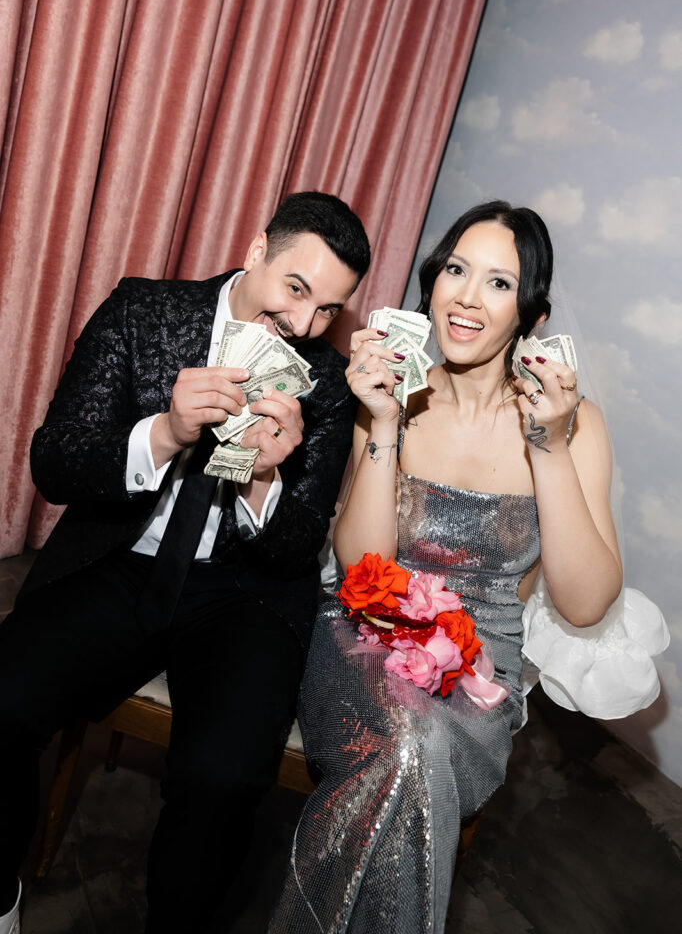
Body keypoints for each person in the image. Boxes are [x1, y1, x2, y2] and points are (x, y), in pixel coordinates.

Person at [0, 190, 370, 934]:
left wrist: (264, 479)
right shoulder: (142, 312)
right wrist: (165, 432)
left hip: (242, 594)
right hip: (117, 560)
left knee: (223, 778)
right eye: (297, 289)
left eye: (328, 309)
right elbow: (55, 461)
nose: (303, 325)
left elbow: (296, 547)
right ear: (257, 250)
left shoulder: (327, 386)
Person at [268, 200, 625, 934]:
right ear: (431, 283)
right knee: (407, 743)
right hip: (362, 633)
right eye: (456, 270)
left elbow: (585, 604)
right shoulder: (392, 396)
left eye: (499, 282)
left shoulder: (574, 425)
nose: (467, 297)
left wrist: (549, 447)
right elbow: (362, 565)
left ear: (530, 313)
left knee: (416, 750)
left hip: (480, 669)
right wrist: (384, 422)